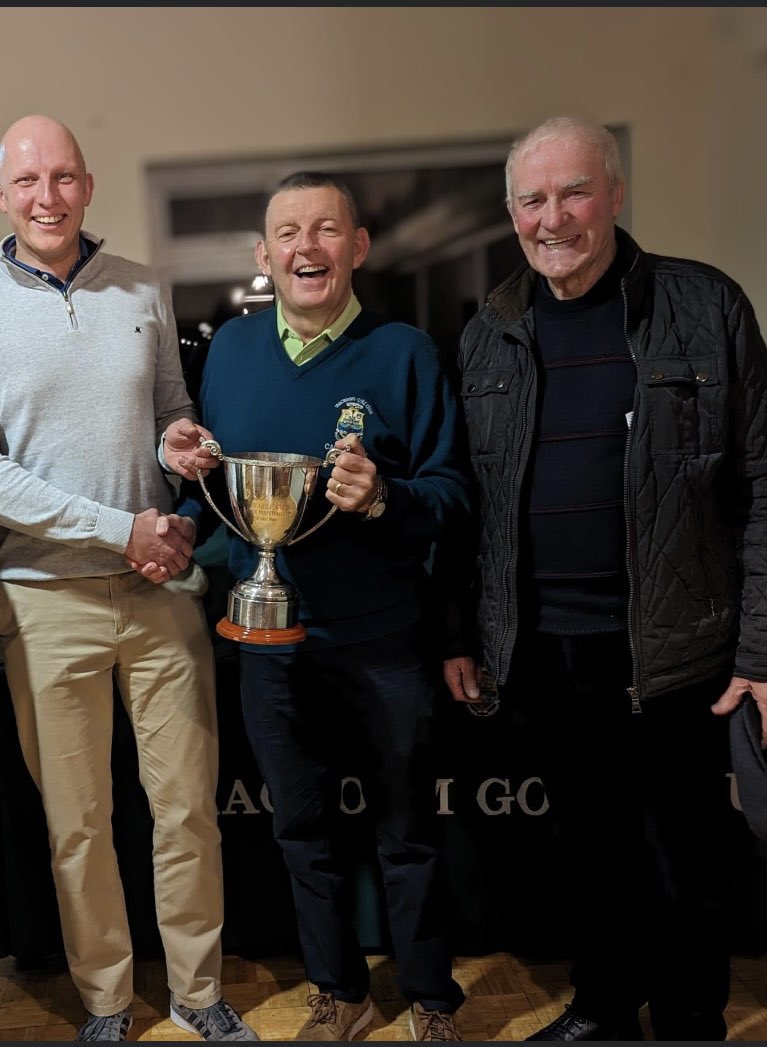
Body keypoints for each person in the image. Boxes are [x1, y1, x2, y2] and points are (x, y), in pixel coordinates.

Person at [444, 116, 767, 1041]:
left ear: (613, 195)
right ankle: (605, 1006)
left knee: (686, 858)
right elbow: (470, 507)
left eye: (573, 193)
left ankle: (691, 1020)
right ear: (512, 212)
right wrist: (463, 631)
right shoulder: (490, 329)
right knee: (586, 851)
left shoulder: (705, 304)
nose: (553, 217)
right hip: (547, 650)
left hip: (679, 649)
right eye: (533, 199)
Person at [0, 115, 256, 1043]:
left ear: (88, 184)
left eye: (63, 176)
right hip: (41, 598)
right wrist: (123, 528)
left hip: (157, 591)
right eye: (27, 180)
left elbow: (169, 412)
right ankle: (108, 1002)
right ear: (0, 195)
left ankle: (198, 992)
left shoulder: (142, 287)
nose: (46, 196)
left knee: (187, 809)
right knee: (79, 824)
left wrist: (179, 446)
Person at [164, 172, 472, 1042]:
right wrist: (183, 488)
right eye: (288, 233)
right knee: (300, 830)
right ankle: (340, 991)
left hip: (384, 639)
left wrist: (384, 498)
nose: (307, 248)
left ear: (357, 246)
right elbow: (212, 483)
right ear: (264, 256)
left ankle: (432, 999)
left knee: (408, 833)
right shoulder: (227, 349)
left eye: (326, 230)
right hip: (269, 640)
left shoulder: (406, 352)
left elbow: (452, 493)